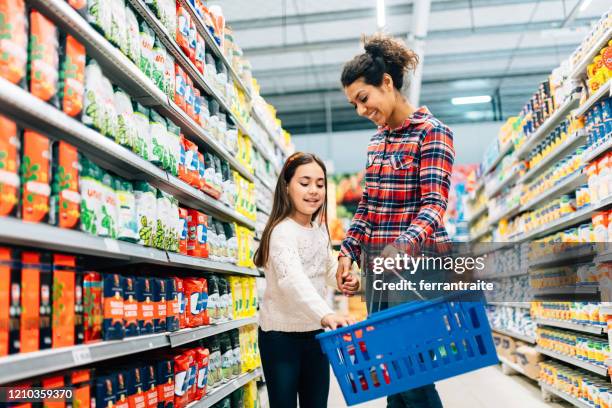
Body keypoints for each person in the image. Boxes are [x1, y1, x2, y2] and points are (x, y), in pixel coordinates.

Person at [337, 34, 455, 408]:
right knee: (391, 374)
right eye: (354, 104)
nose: (360, 110)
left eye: (363, 99)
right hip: (380, 274)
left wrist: (400, 246)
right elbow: (367, 206)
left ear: (386, 83)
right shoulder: (376, 143)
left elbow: (434, 205)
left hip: (419, 271)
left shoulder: (432, 132)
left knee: (413, 376)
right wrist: (348, 252)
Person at [254, 152, 360, 408]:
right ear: (287, 187)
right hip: (280, 337)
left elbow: (325, 269)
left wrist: (344, 279)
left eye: (320, 184)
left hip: (315, 335)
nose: (313, 190)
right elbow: (293, 281)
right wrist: (327, 314)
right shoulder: (281, 233)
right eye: (305, 183)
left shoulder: (318, 230)